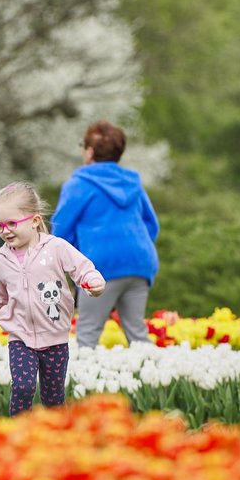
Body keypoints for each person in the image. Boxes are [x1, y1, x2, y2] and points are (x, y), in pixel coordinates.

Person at [0, 182, 105, 417]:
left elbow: (80, 267)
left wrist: (92, 280)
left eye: (12, 223)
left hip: (55, 337)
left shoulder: (56, 248)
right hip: (20, 337)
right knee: (23, 387)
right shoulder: (1, 260)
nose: (5, 231)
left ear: (34, 220)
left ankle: (55, 438)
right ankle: (20, 434)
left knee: (54, 397)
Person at [51, 120, 160, 349]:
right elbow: (151, 225)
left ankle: (82, 384)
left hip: (99, 266)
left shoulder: (79, 184)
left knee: (88, 334)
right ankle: (158, 379)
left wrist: (71, 263)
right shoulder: (133, 183)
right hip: (140, 263)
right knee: (137, 333)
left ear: (89, 151)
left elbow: (60, 231)